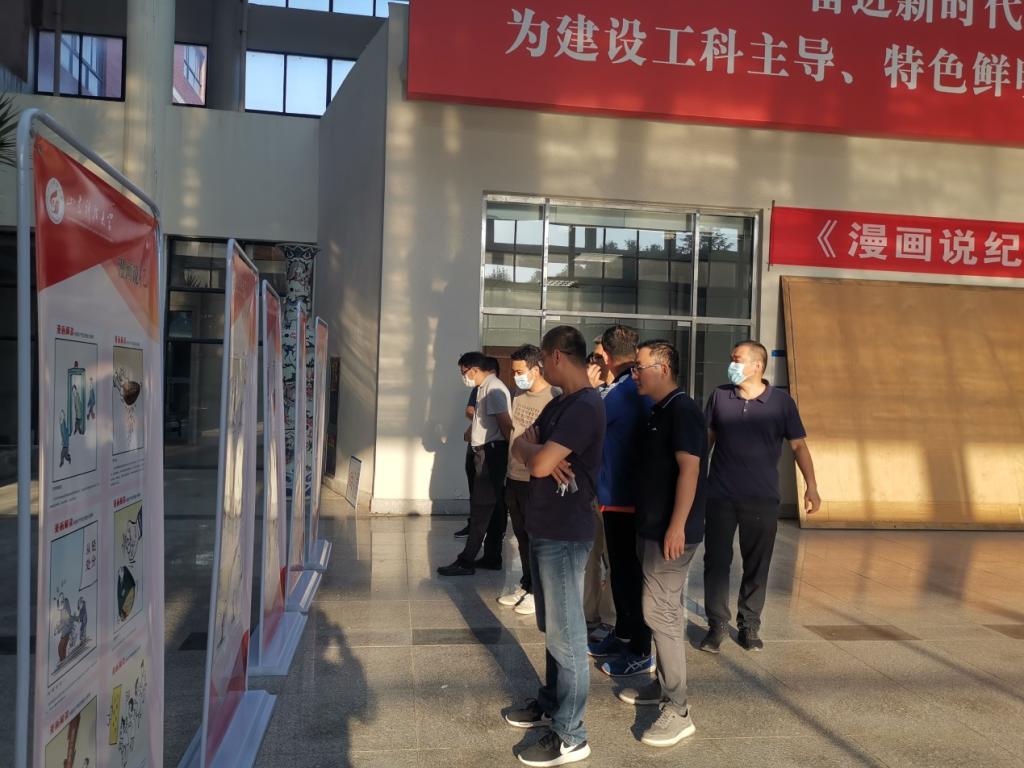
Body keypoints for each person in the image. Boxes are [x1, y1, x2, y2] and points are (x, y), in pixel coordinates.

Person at [504, 326, 605, 767]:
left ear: (559, 356)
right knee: (554, 630)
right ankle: (550, 703)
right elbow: (520, 444)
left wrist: (539, 453)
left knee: (568, 638)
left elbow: (539, 462)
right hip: (544, 527)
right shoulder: (559, 403)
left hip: (565, 534)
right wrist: (538, 451)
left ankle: (571, 735)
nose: (541, 367)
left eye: (543, 359)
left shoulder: (585, 406)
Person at [701, 340, 821, 653]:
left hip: (762, 497)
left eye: (737, 359)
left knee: (757, 564)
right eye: (732, 358)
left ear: (757, 365)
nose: (732, 364)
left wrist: (811, 485)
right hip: (720, 495)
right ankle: (716, 624)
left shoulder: (781, 403)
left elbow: (798, 445)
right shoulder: (720, 396)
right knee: (716, 562)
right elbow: (706, 442)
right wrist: (695, 482)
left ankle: (749, 625)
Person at [617, 339, 706, 747]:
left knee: (661, 612)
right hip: (650, 528)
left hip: (670, 534)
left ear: (664, 368)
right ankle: (663, 685)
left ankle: (679, 709)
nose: (634, 373)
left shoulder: (683, 410)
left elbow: (690, 471)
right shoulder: (659, 410)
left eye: (640, 366)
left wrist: (677, 526)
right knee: (658, 610)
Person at [588, 325, 654, 677]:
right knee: (621, 573)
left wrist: (589, 389)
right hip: (614, 495)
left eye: (598, 355)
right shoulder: (623, 388)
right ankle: (625, 632)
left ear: (608, 357)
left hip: (624, 497)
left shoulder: (624, 391)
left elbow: (588, 423)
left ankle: (640, 648)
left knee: (628, 576)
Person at [438, 353, 512, 576]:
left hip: (492, 453)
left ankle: (466, 561)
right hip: (485, 451)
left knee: (481, 509)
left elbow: (506, 425)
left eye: (464, 372)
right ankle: (492, 557)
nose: (464, 377)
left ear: (474, 369)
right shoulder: (483, 388)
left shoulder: (494, 389)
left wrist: (513, 454)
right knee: (494, 509)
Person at [497, 344, 556, 616]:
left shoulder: (554, 398)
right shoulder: (519, 396)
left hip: (536, 479)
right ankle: (527, 583)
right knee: (520, 535)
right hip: (514, 476)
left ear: (536, 369)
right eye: (513, 372)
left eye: (519, 372)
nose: (515, 376)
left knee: (537, 538)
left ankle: (539, 592)